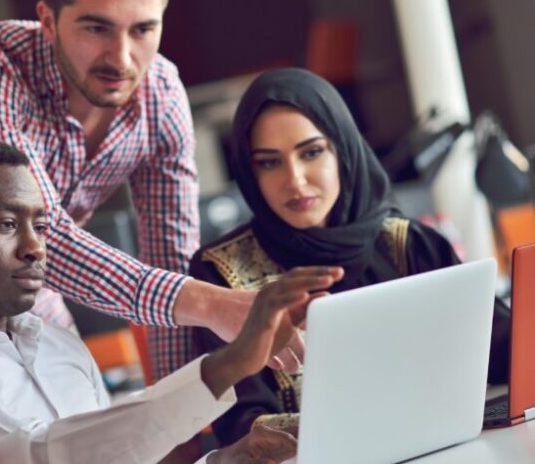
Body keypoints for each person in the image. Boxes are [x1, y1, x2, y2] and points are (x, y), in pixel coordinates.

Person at [0, 0, 303, 386]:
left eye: (143, 29)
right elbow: (37, 238)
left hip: (27, 295)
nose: (121, 58)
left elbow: (170, 261)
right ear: (47, 20)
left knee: (85, 427)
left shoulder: (160, 97)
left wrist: (180, 426)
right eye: (96, 27)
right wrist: (210, 304)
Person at [0, 138, 343, 463]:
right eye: (5, 224)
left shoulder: (59, 344)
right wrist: (231, 364)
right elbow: (43, 455)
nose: (36, 246)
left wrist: (227, 460)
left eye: (40, 226)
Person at [190, 67, 512, 446]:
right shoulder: (221, 273)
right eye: (269, 162)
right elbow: (240, 425)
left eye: (311, 152)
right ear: (249, 170)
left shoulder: (408, 243)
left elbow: (507, 353)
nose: (294, 179)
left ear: (343, 149)